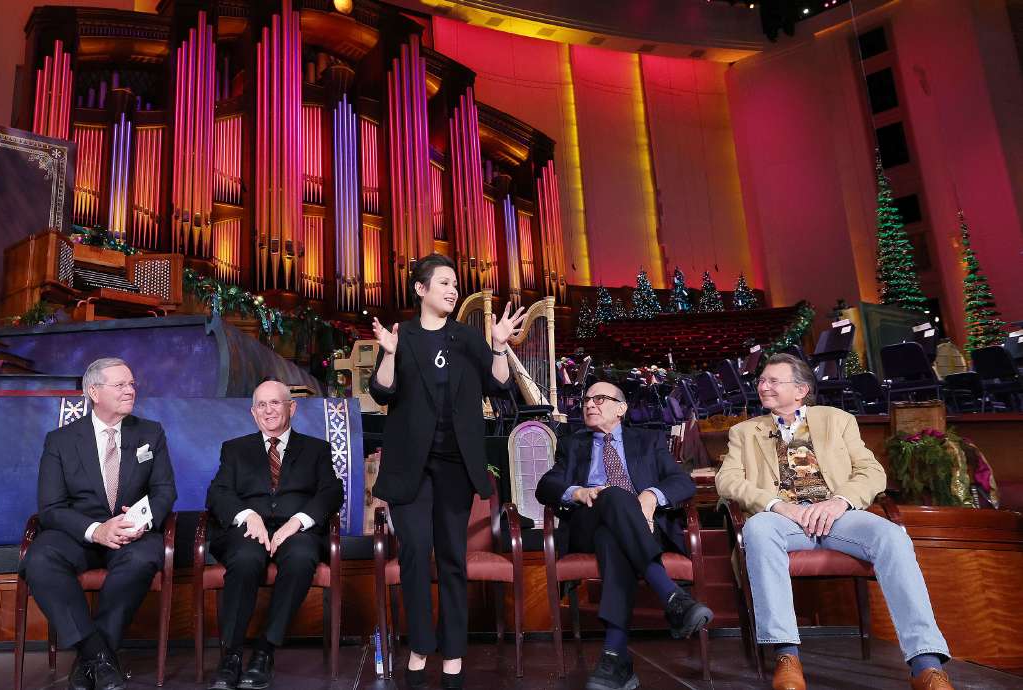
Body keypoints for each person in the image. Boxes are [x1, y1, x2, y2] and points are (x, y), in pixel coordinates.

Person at [715, 353, 954, 690]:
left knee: (892, 537)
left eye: (772, 380)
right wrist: (775, 505)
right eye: (762, 379)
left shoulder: (837, 420)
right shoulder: (744, 432)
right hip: (785, 521)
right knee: (757, 528)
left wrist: (838, 501)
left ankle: (926, 664)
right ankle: (787, 655)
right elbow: (727, 482)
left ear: (800, 390)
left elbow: (871, 472)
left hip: (839, 516)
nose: (762, 385)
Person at [369, 253, 526, 690]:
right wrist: (388, 354)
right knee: (417, 552)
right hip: (410, 468)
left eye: (455, 284)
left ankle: (453, 658)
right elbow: (382, 391)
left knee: (453, 558)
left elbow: (498, 383)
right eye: (443, 283)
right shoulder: (404, 336)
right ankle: (419, 650)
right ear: (420, 290)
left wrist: (498, 345)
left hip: (456, 464)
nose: (453, 290)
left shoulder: (466, 338)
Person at [536, 381, 713, 690]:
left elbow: (682, 482)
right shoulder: (572, 443)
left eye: (599, 399)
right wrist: (577, 491)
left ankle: (615, 657)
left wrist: (651, 496)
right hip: (586, 524)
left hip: (643, 527)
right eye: (587, 399)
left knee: (612, 538)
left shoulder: (648, 440)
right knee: (614, 497)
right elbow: (546, 486)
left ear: (621, 408)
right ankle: (671, 595)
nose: (589, 404)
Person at [19, 358, 177, 690]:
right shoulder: (60, 440)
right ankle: (98, 655)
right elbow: (50, 508)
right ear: (94, 391)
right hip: (78, 534)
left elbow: (164, 491)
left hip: (131, 533)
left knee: (143, 559)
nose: (129, 390)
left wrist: (140, 522)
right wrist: (97, 530)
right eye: (120, 385)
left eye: (132, 384)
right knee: (39, 559)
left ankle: (88, 660)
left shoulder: (151, 432)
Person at [204, 379, 344, 690]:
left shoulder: (316, 449)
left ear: (291, 407)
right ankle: (232, 656)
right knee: (244, 558)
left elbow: (332, 492)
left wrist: (299, 520)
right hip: (247, 531)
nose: (268, 411)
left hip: (296, 530)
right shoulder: (235, 449)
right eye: (261, 405)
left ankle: (265, 651)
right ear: (253, 413)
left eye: (275, 403)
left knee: (301, 557)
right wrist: (247, 515)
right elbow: (218, 493)